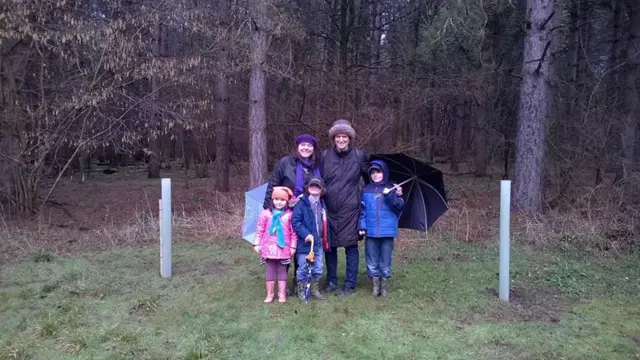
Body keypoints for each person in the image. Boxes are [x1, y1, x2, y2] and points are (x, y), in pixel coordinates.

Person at [263, 133, 321, 294]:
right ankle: (282, 282)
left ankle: (300, 280)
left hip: (307, 212)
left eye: (309, 145)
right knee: (285, 246)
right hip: (286, 212)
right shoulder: (285, 163)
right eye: (302, 145)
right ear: (297, 147)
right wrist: (269, 207)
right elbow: (273, 184)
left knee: (302, 247)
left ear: (313, 149)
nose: (306, 148)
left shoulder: (315, 166)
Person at [359, 160, 405, 297]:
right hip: (371, 232)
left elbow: (400, 207)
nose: (375, 175)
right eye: (372, 172)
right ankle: (375, 287)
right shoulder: (366, 190)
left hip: (387, 230)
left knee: (385, 259)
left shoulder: (393, 188)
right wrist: (362, 226)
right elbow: (362, 211)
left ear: (384, 172)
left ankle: (383, 287)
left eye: (378, 172)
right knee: (372, 259)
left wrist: (391, 195)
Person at [253, 186, 297, 303]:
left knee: (282, 271)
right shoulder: (265, 214)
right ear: (272, 200)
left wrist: (293, 246)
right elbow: (260, 229)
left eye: (282, 200)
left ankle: (282, 293)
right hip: (268, 247)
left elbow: (293, 233)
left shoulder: (289, 215)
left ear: (286, 201)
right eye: (276, 199)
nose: (279, 202)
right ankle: (270, 294)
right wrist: (257, 244)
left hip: (284, 247)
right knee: (270, 271)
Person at [292, 176, 330, 302]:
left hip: (318, 242)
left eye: (317, 186)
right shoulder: (301, 203)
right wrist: (305, 234)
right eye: (312, 186)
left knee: (318, 266)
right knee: (303, 267)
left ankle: (314, 289)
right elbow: (296, 222)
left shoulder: (322, 203)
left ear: (321, 190)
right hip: (305, 243)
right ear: (308, 188)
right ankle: (301, 290)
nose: (314, 188)